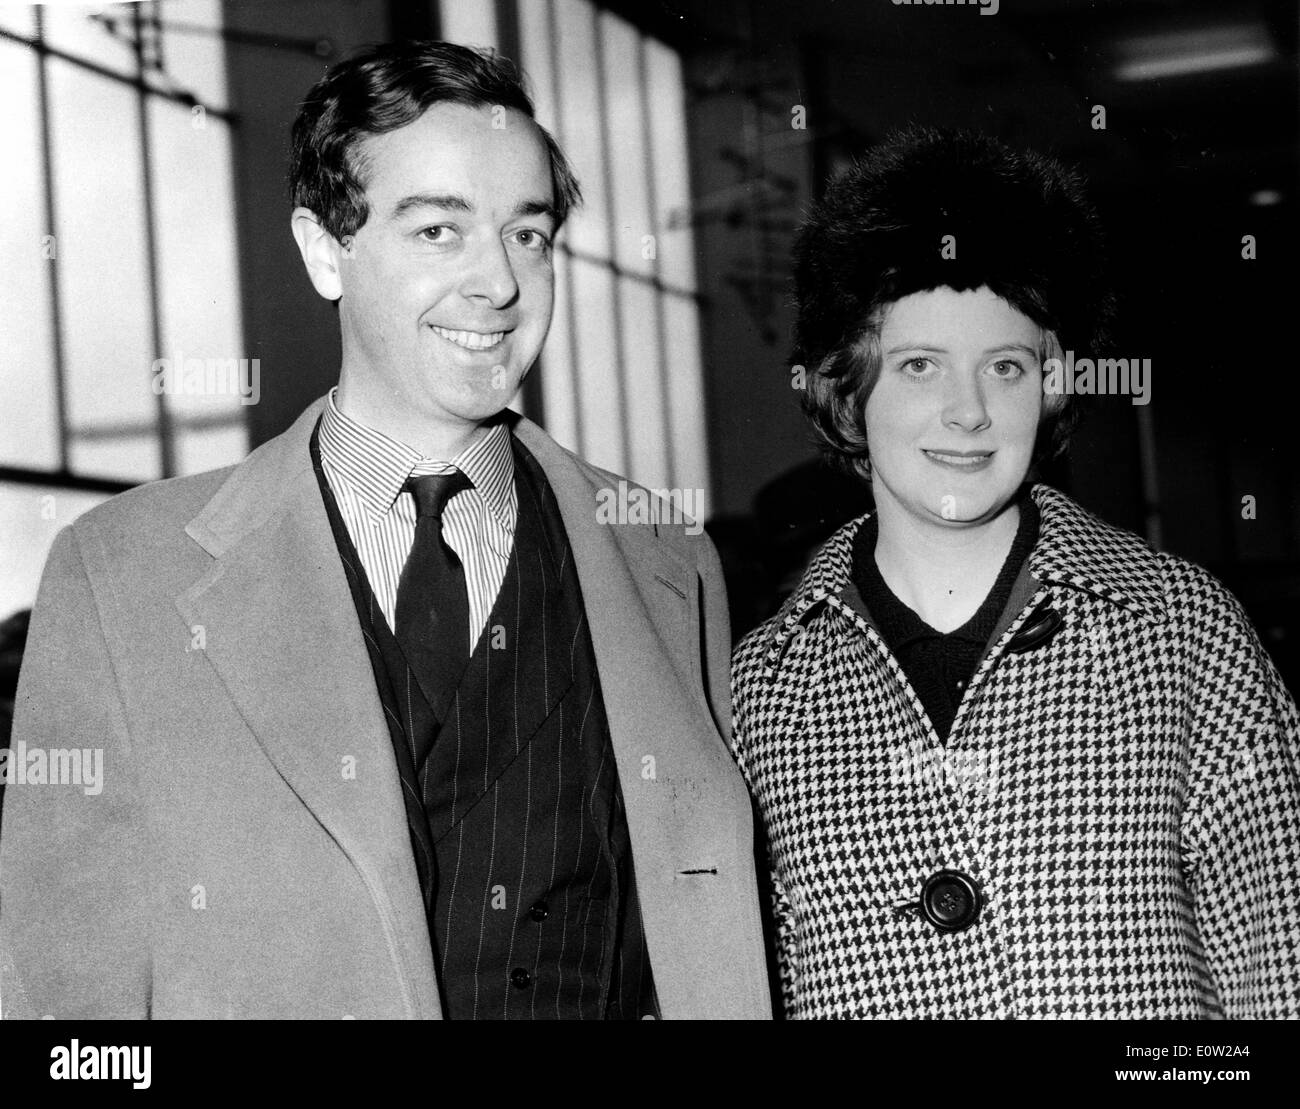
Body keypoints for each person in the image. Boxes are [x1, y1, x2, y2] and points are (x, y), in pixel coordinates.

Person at [0, 40, 770, 1020]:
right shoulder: (122, 580)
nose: (498, 282)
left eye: (527, 234)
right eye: (439, 231)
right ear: (327, 249)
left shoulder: (667, 561)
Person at [730, 128, 1300, 1019]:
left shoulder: (1183, 633)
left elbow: (1280, 966)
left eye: (1005, 366)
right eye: (919, 366)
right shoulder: (761, 691)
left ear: (1055, 384)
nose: (968, 412)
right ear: (845, 389)